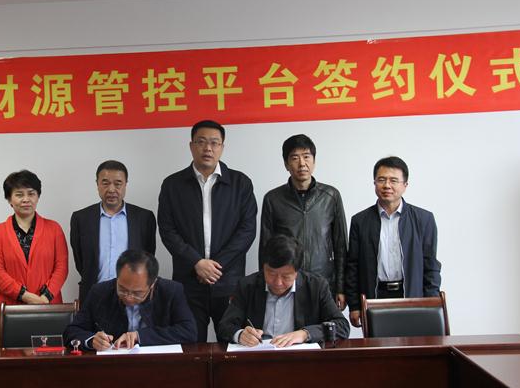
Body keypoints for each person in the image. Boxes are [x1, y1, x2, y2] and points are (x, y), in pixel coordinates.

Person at [158, 120, 257, 342]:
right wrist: (196, 262)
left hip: (228, 281)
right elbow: (167, 230)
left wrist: (215, 267)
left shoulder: (240, 183)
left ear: (222, 147)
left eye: (214, 143)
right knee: (191, 346)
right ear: (191, 146)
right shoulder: (172, 185)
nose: (208, 148)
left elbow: (247, 230)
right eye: (201, 142)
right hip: (188, 282)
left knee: (233, 344)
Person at [344, 156, 441, 328]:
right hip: (375, 297)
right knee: (377, 344)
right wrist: (354, 305)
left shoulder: (424, 219)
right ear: (374, 183)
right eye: (381, 180)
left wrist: (431, 302)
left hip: (411, 296)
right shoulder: (360, 221)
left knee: (413, 342)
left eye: (393, 180)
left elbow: (430, 265)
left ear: (405, 185)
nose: (387, 185)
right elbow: (353, 266)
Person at [259, 134, 348, 309]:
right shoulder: (273, 199)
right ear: (286, 164)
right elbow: (265, 247)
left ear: (314, 161)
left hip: (323, 281)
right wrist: (267, 284)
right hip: (286, 281)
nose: (302, 163)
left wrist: (341, 287)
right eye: (294, 158)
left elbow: (340, 246)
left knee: (323, 325)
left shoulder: (331, 196)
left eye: (306, 156)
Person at [218, 235, 350, 346]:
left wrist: (305, 334)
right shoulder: (247, 286)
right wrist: (240, 335)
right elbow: (225, 326)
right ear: (264, 267)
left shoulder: (316, 286)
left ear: (297, 272)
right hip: (259, 358)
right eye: (271, 274)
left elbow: (342, 326)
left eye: (286, 276)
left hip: (300, 360)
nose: (278, 283)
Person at [0, 170, 68, 345]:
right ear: (9, 199)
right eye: (19, 194)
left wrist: (45, 297)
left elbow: (61, 267)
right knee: (13, 356)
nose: (26, 199)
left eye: (31, 193)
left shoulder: (54, 229)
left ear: (38, 196)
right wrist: (25, 295)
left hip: (48, 306)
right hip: (12, 308)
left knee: (50, 354)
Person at [63, 250, 197, 350]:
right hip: (113, 366)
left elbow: (189, 332)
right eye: (122, 289)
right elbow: (71, 331)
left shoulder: (171, 291)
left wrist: (140, 336)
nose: (128, 297)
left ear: (152, 284)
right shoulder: (100, 292)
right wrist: (92, 340)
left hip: (157, 365)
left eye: (137, 293)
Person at [70, 160, 156, 307]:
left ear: (125, 184)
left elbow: (148, 258)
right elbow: (81, 261)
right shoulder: (81, 218)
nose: (111, 189)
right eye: (105, 183)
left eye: (118, 184)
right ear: (97, 184)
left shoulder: (144, 218)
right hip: (94, 296)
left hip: (133, 297)